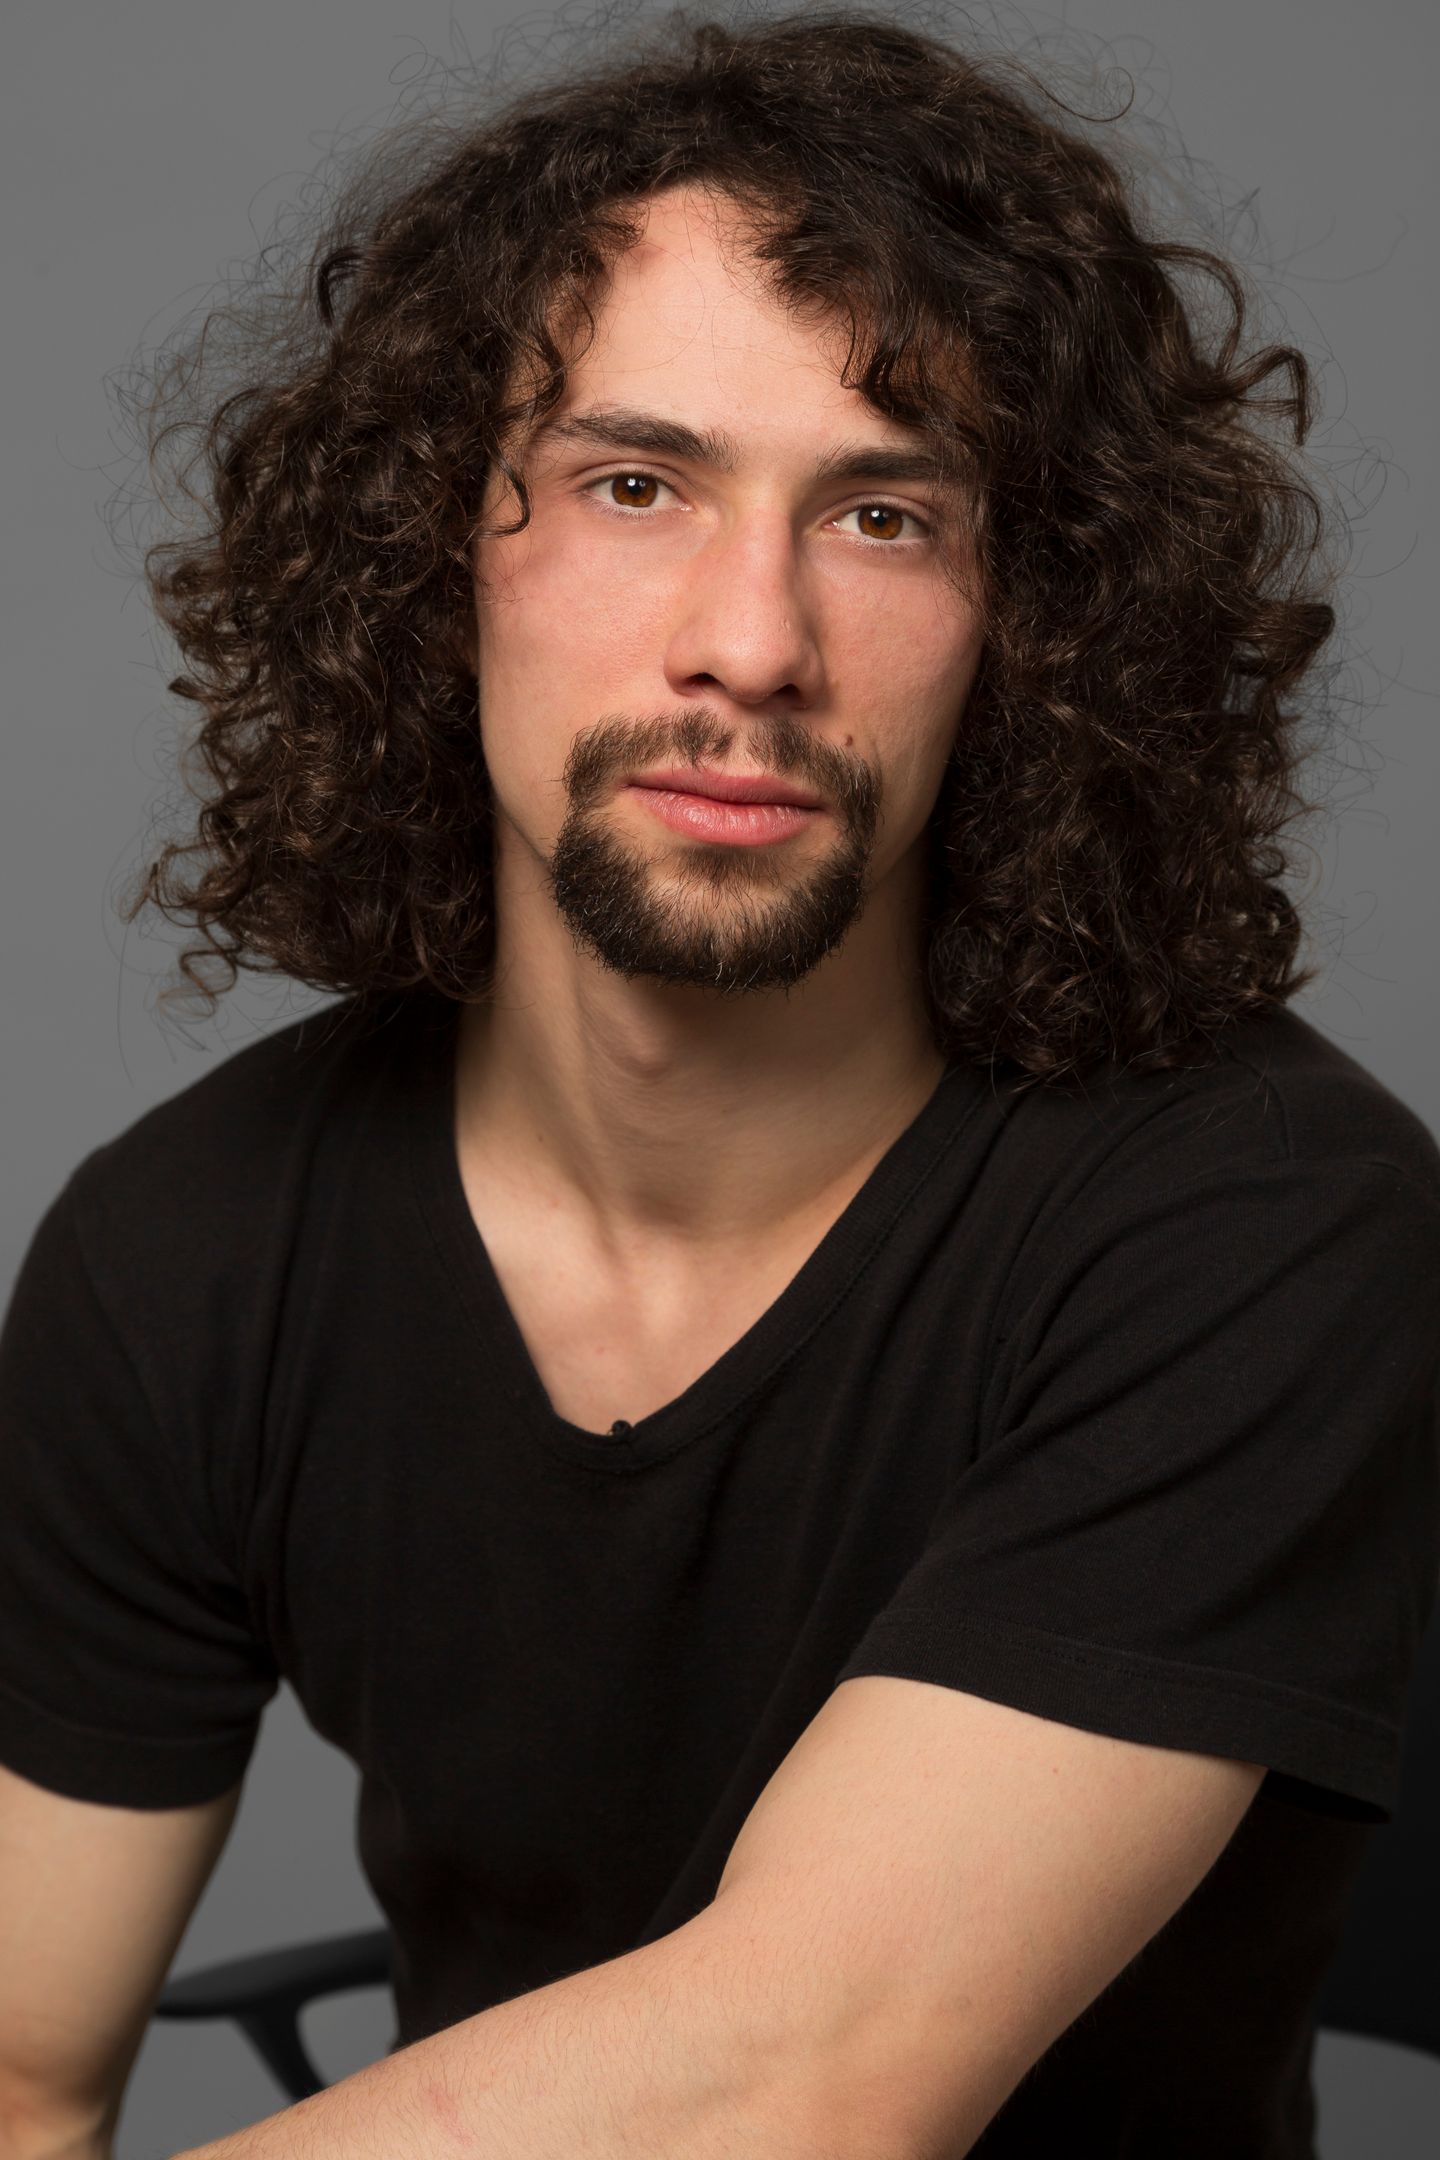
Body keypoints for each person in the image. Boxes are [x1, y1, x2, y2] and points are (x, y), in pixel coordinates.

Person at [2, 8, 1437, 2156]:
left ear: (1033, 626)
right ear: (431, 559)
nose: (751, 642)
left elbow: (800, 2082)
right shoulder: (186, 1252)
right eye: (634, 484)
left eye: (884, 514)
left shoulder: (1258, 1210)